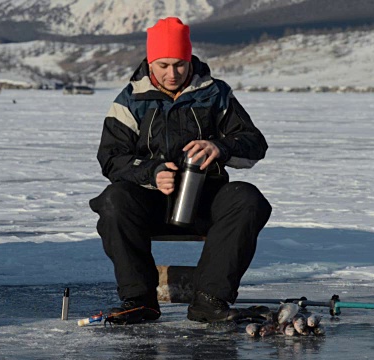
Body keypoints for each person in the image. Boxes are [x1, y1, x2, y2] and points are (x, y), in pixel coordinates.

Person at [89, 17, 272, 325]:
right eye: (163, 65)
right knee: (114, 200)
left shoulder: (216, 95)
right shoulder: (130, 101)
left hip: (204, 198)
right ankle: (139, 300)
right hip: (151, 202)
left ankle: (210, 300)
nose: (172, 74)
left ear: (190, 60)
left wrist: (221, 147)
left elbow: (255, 144)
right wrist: (151, 173)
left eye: (179, 65)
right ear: (150, 62)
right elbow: (110, 158)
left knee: (247, 198)